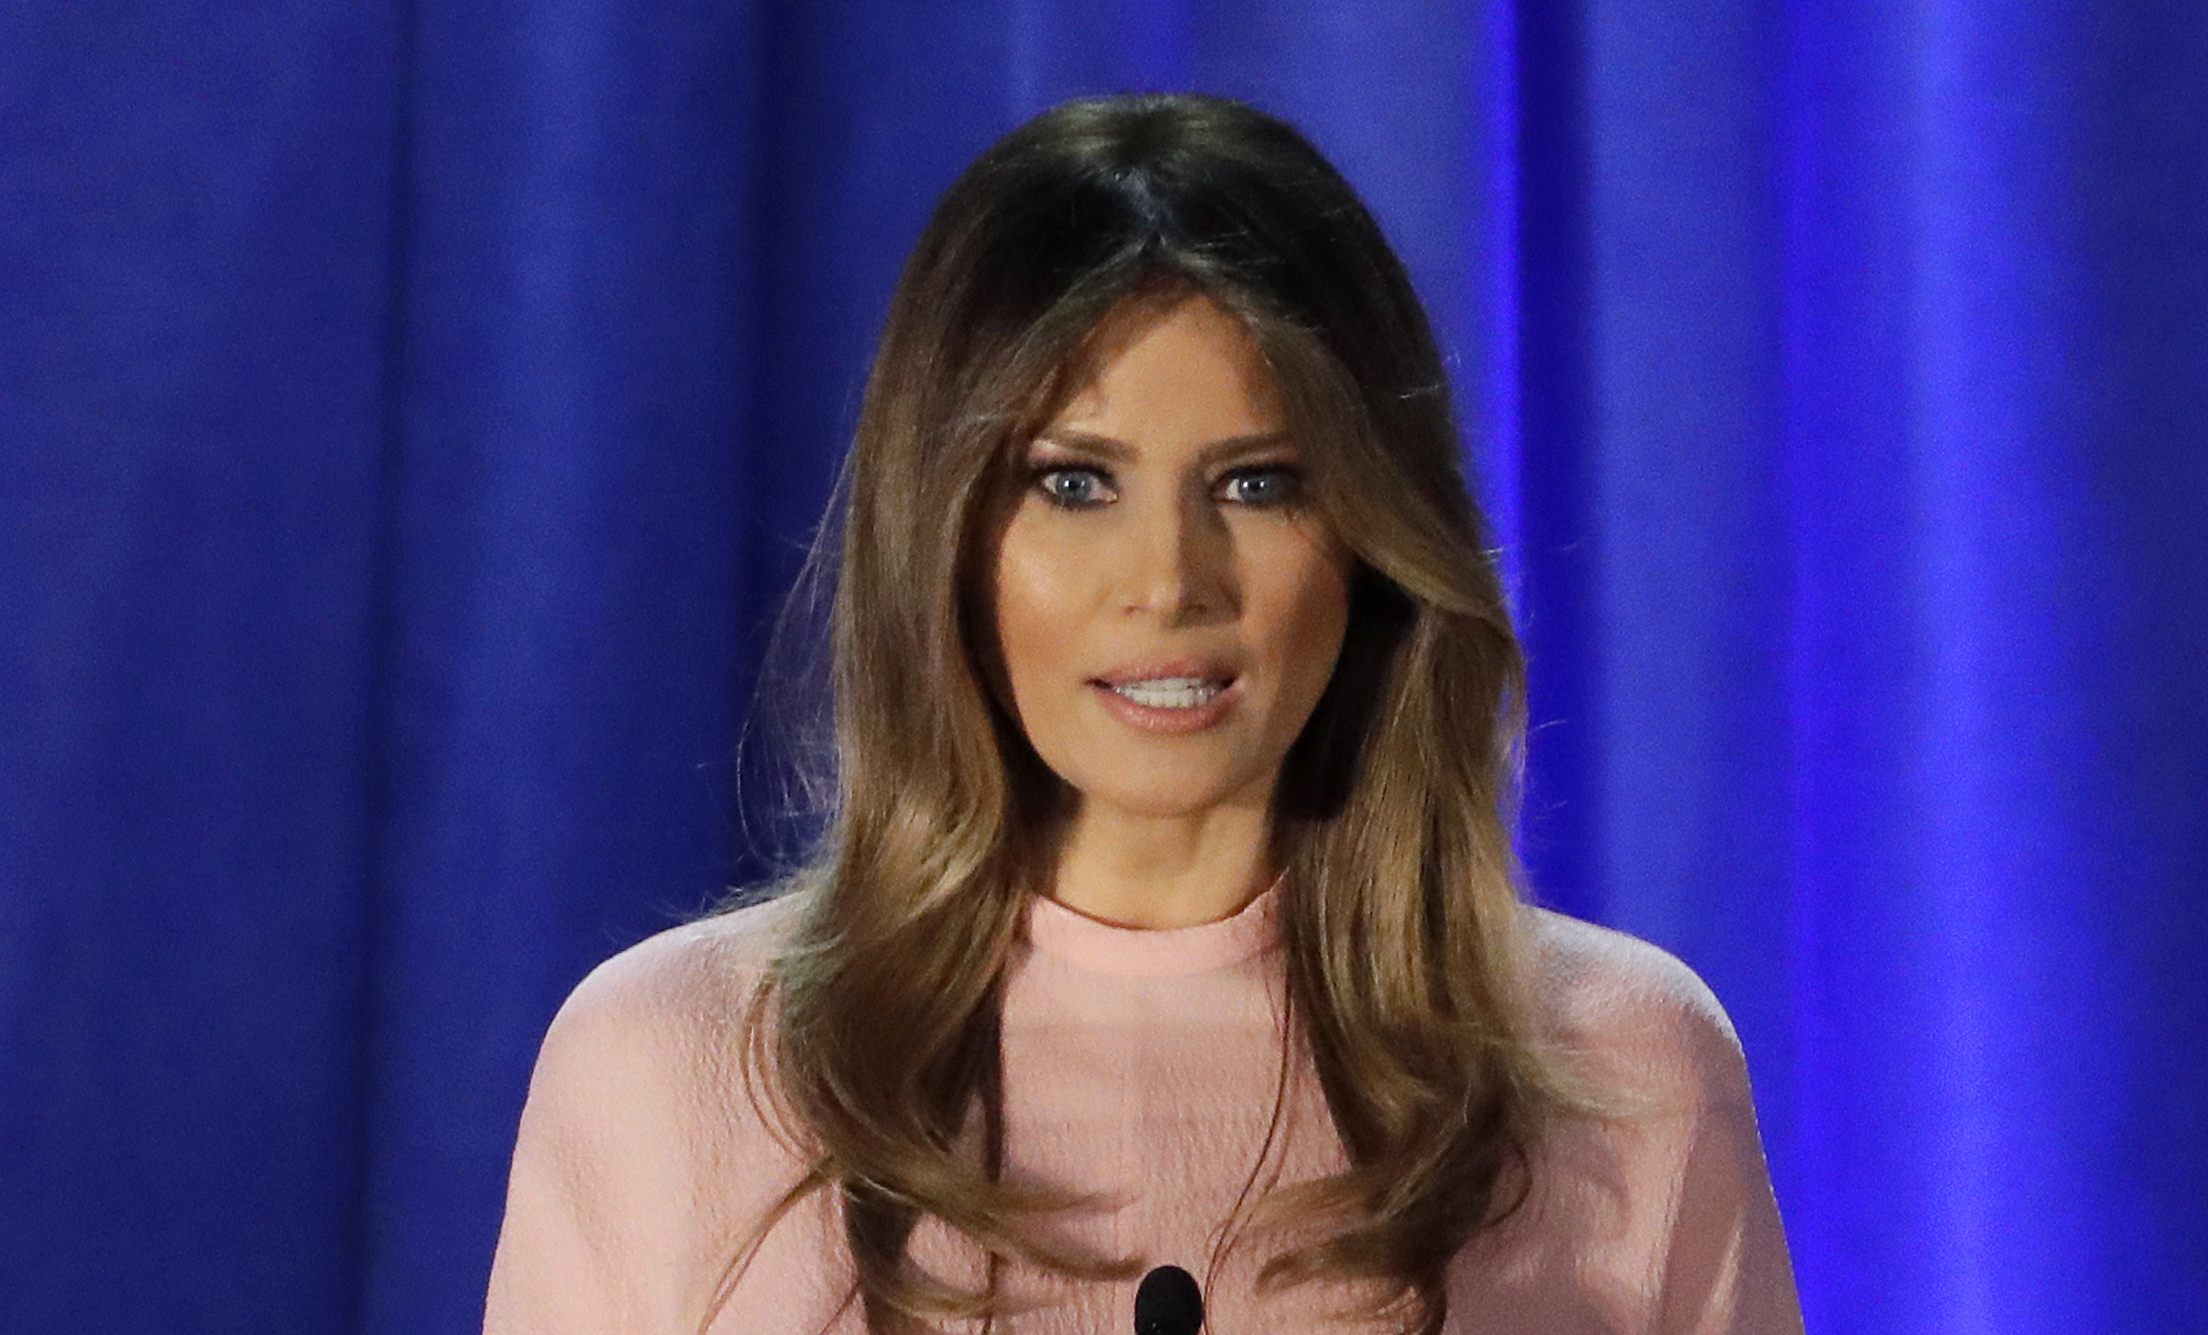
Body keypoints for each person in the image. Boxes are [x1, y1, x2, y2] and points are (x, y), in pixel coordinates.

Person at [482, 93, 1802, 1334]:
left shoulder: (1625, 1067)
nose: (1170, 583)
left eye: (1256, 484)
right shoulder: (666, 1066)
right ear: (942, 534)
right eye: (1073, 485)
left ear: (1373, 537)